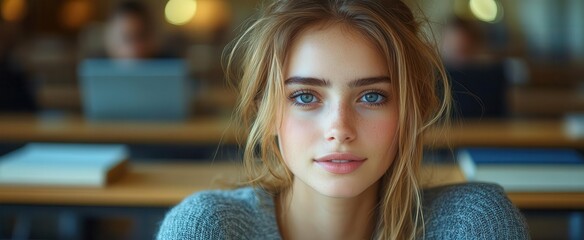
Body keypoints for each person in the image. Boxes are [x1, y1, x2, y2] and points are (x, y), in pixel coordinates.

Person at [157, 1, 529, 239]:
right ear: (265, 112)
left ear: (412, 109)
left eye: (372, 96)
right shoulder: (205, 229)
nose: (339, 129)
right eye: (305, 97)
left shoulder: (472, 225)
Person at [441, 16, 509, 118]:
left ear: (473, 46)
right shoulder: (435, 75)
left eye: (463, 50)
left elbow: (499, 115)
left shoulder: (490, 75)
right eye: (452, 46)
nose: (459, 58)